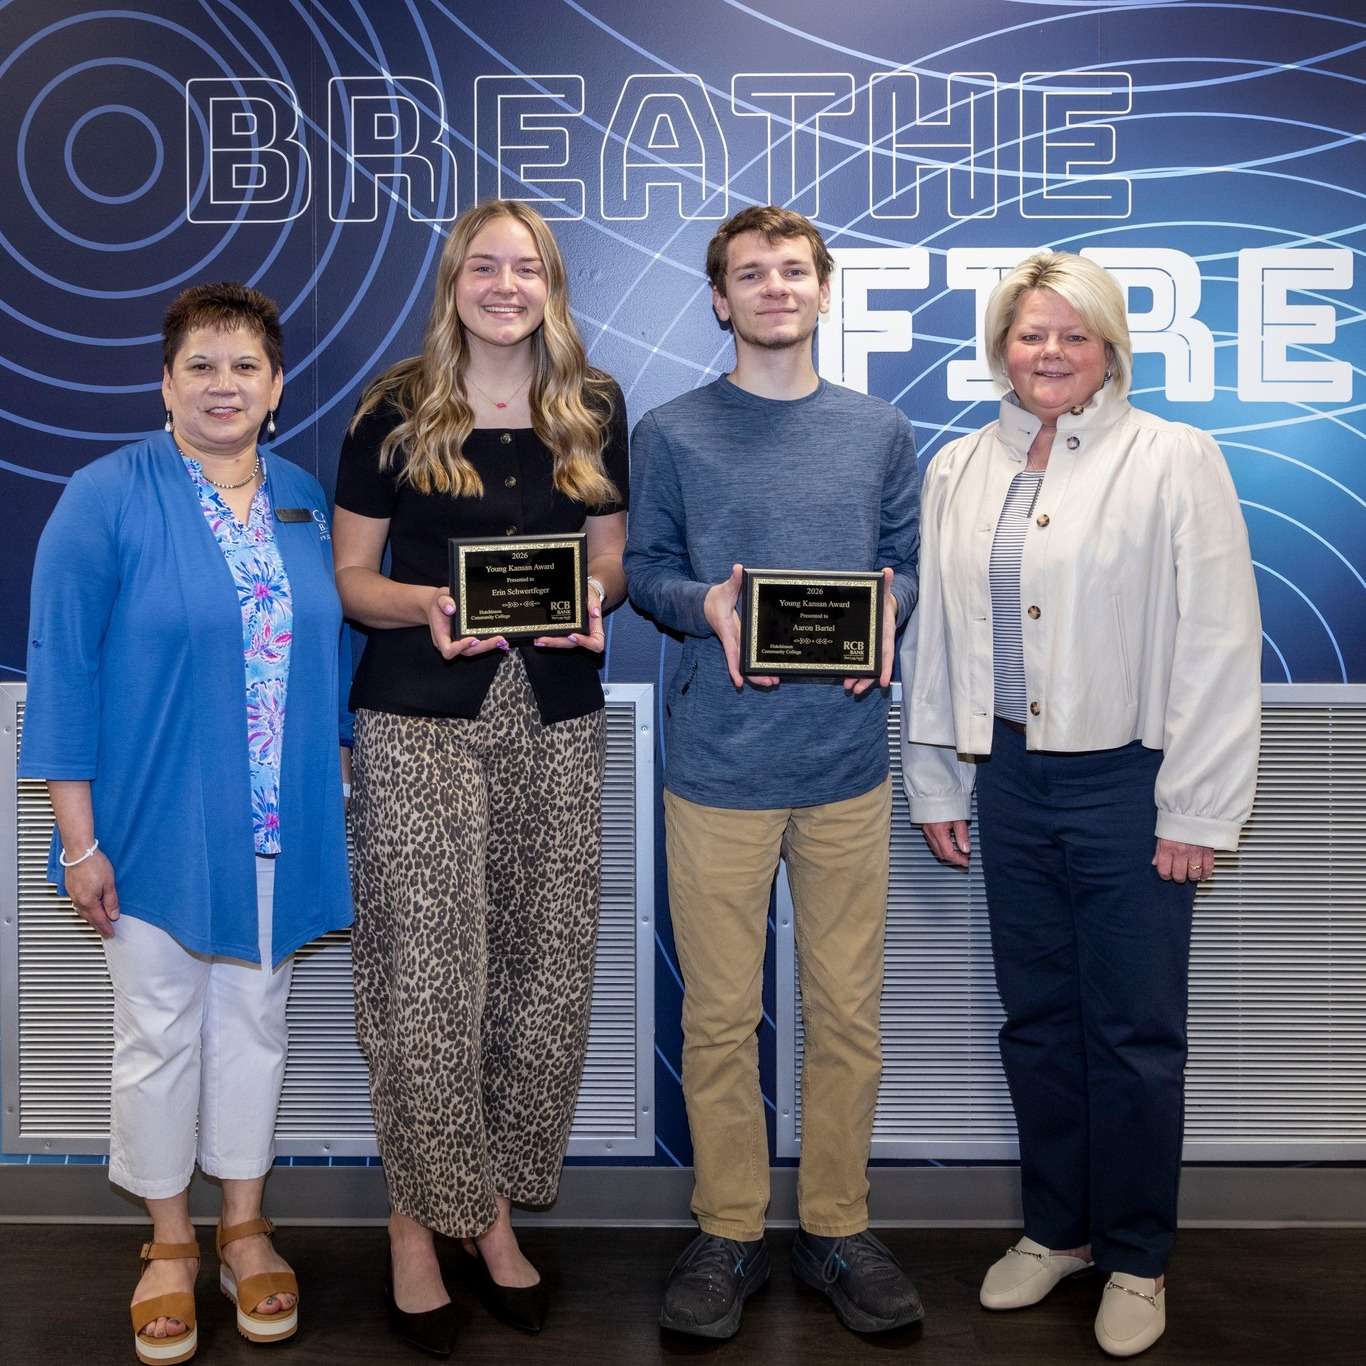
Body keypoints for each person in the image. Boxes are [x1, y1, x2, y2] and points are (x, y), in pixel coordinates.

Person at [901, 250, 1260, 1357]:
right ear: (999, 345)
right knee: (1038, 1025)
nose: (1047, 353)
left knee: (1135, 1034)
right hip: (1007, 779)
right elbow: (940, 637)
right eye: (1027, 333)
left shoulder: (1173, 456)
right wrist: (936, 774)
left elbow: (1216, 637)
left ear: (1108, 347)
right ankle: (1056, 1232)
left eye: (1070, 334)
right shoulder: (959, 466)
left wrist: (1197, 805)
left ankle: (1138, 1256)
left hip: (1128, 783)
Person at [20, 282, 353, 1363]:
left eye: (244, 366)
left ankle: (245, 1227)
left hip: (280, 821)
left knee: (255, 1024)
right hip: (152, 823)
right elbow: (63, 674)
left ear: (277, 387)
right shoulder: (105, 495)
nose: (223, 385)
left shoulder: (302, 495)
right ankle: (169, 1240)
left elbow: (330, 657)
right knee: (158, 1031)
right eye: (201, 365)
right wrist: (78, 840)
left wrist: (334, 775)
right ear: (165, 383)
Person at [332, 198, 628, 1358]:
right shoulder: (394, 411)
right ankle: (431, 1224)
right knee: (427, 980)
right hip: (418, 713)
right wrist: (428, 606)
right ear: (454, 277)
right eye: (485, 266)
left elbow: (605, 556)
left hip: (553, 713)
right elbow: (352, 575)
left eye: (528, 268)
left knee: (545, 977)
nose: (507, 285)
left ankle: (487, 1197)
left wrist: (592, 600)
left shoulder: (592, 405)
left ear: (552, 283)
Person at [624, 205, 923, 1339]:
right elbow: (644, 569)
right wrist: (699, 602)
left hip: (844, 763)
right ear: (718, 299)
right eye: (750, 274)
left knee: (847, 1014)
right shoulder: (671, 432)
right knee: (717, 1018)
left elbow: (901, 567)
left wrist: (885, 613)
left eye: (792, 271)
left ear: (821, 289)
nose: (773, 288)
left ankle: (836, 1225)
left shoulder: (880, 430)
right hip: (715, 765)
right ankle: (731, 1229)